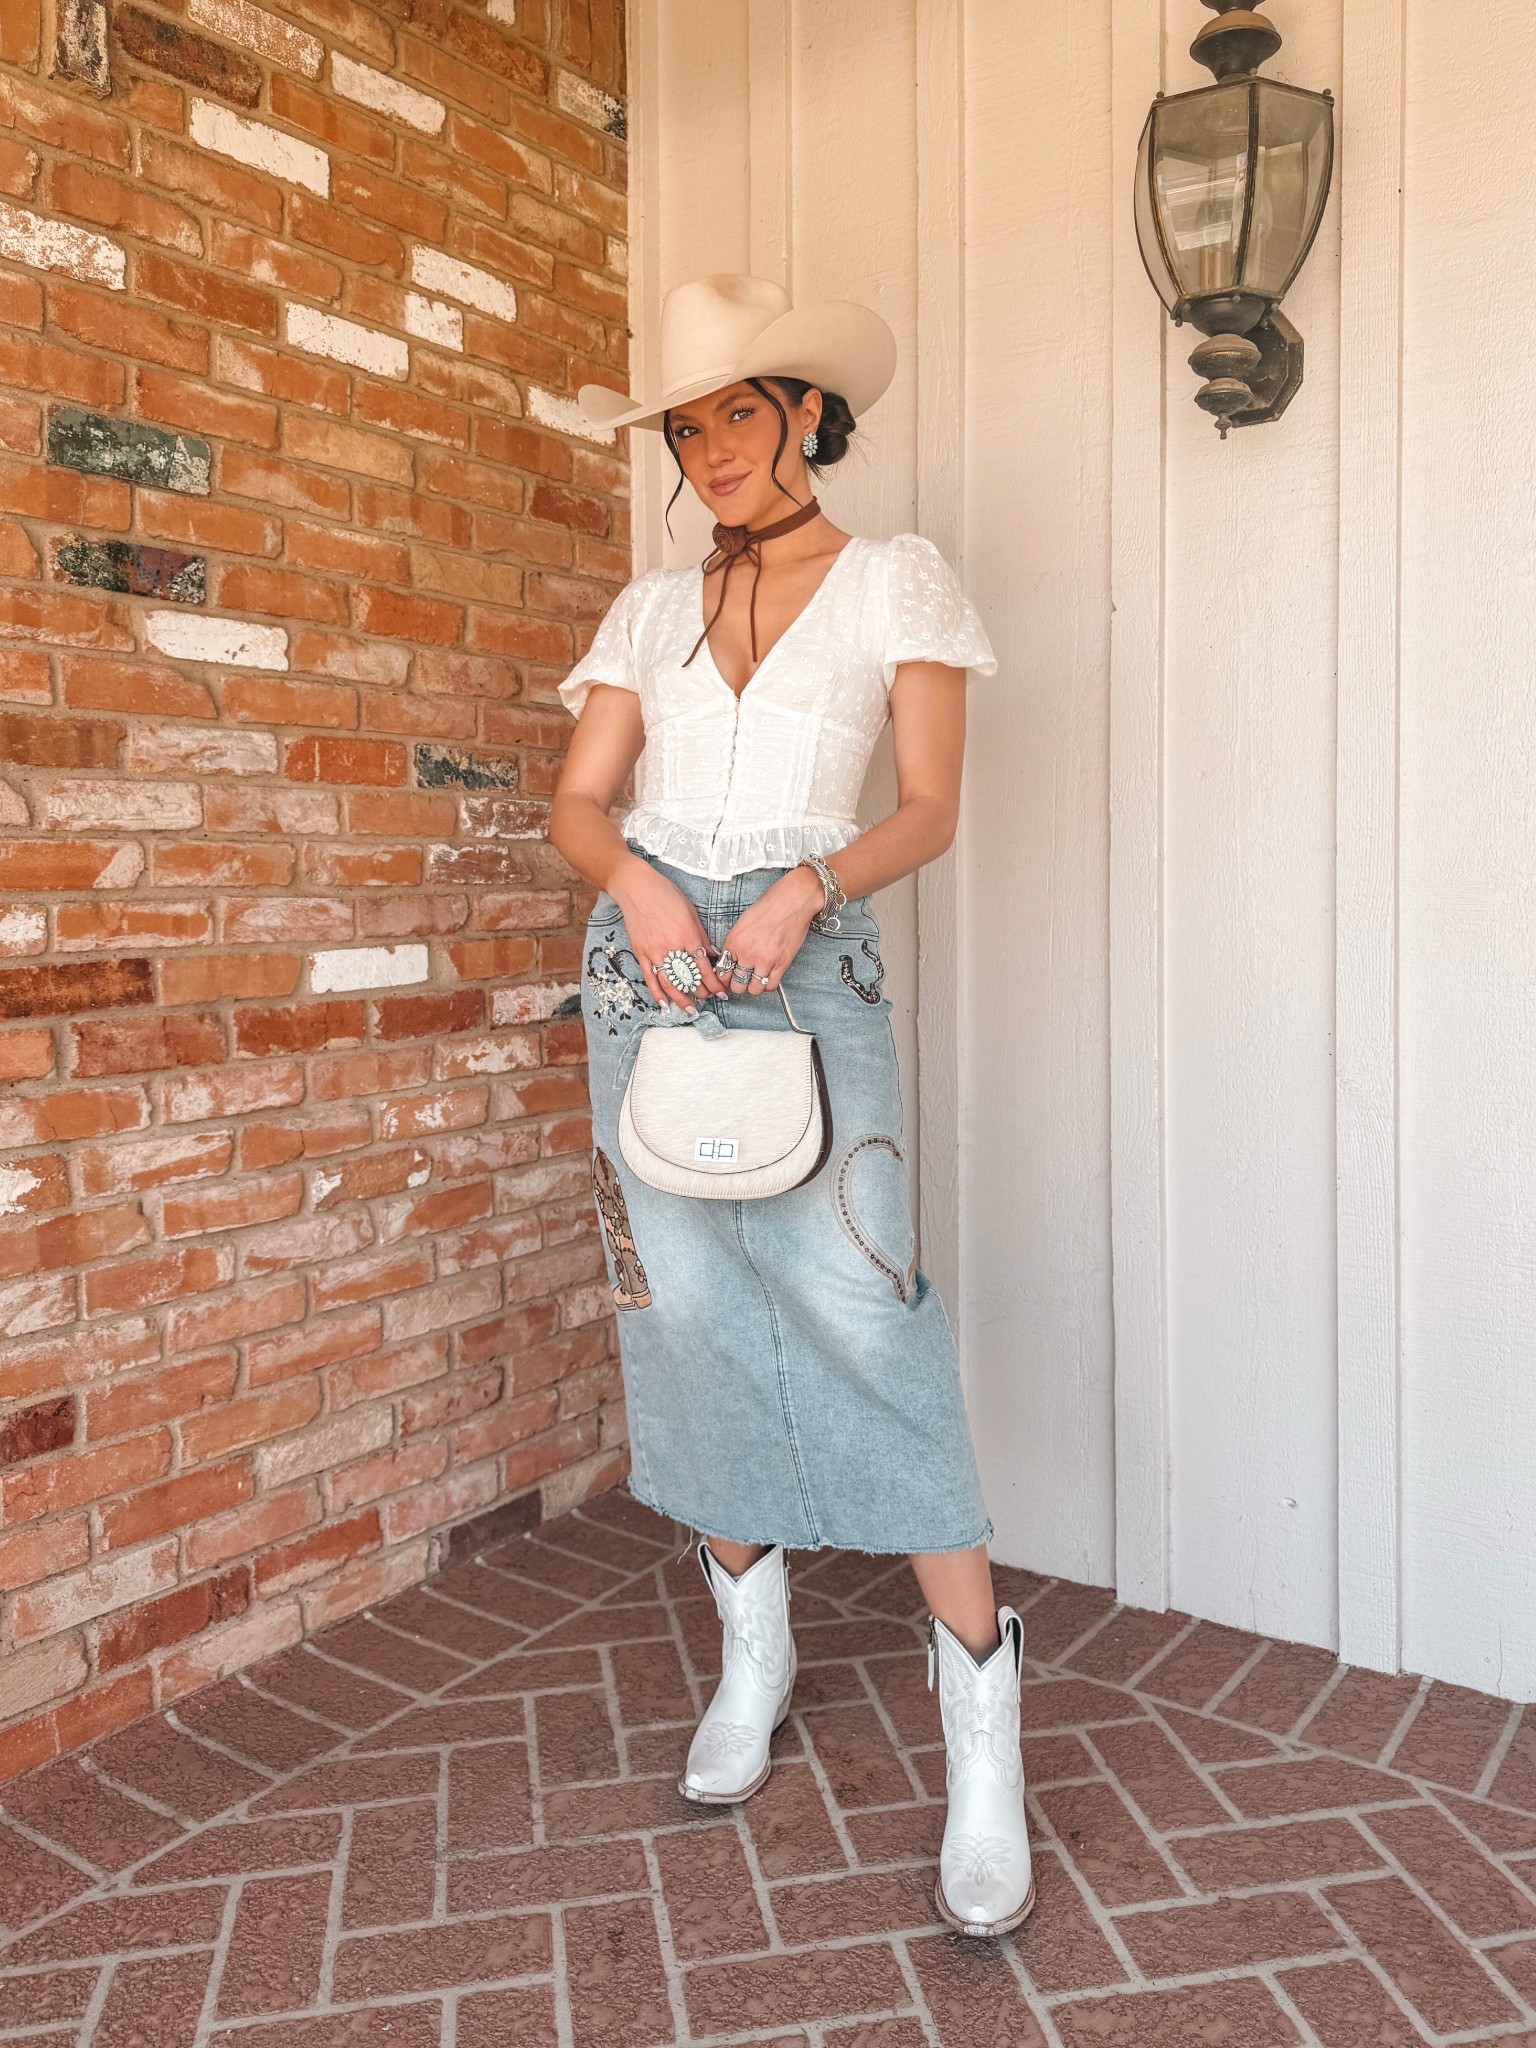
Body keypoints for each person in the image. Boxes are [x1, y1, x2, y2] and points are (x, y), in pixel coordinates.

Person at [548, 274, 1034, 1938]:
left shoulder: (897, 578)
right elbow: (581, 799)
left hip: (808, 957)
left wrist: (803, 889)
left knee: (861, 1302)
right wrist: (640, 892)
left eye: (736, 417)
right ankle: (750, 1669)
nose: (712, 453)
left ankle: (983, 1737)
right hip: (652, 971)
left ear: (808, 416)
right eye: (687, 431)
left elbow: (929, 807)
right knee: (683, 1307)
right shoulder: (643, 606)